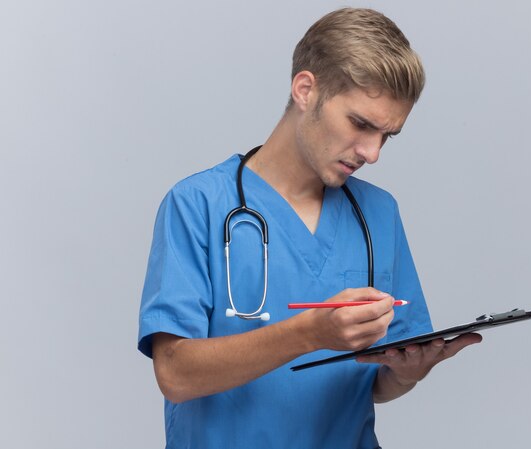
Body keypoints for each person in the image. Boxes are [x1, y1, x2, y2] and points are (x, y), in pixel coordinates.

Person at [138, 7, 481, 449]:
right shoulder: (198, 205)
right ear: (305, 90)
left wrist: (407, 373)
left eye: (387, 135)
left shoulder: (379, 214)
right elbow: (174, 374)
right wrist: (308, 333)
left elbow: (374, 382)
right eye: (360, 124)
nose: (372, 153)